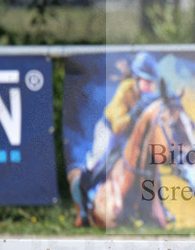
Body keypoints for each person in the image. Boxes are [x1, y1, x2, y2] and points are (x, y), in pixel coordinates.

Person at [69, 51, 160, 225]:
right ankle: (84, 203)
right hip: (109, 131)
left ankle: (158, 208)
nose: (150, 87)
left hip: (130, 135)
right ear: (136, 79)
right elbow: (118, 127)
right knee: (99, 162)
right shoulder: (125, 90)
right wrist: (134, 114)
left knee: (150, 165)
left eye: (152, 82)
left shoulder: (149, 94)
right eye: (146, 81)